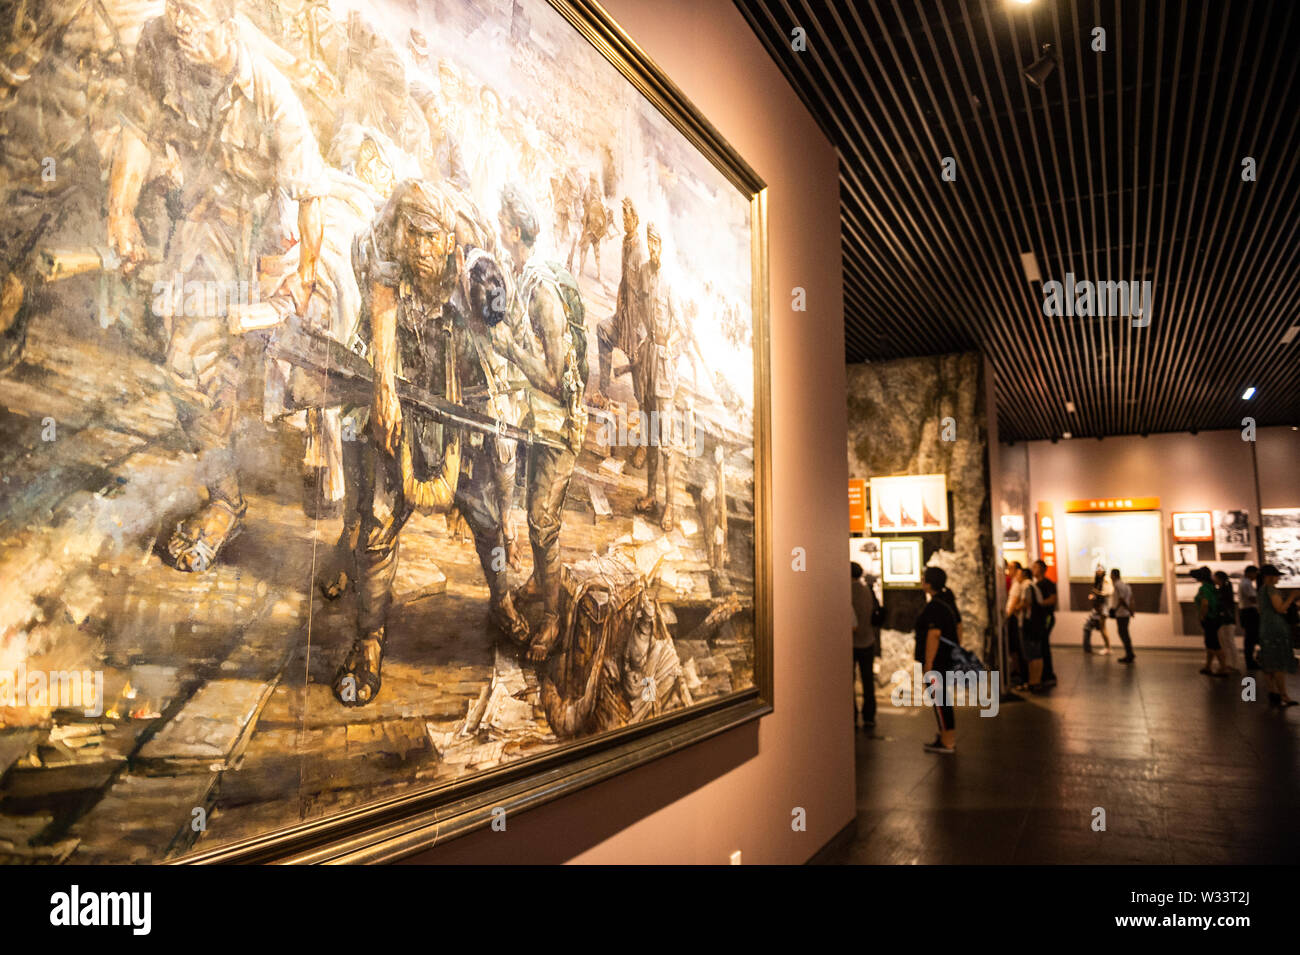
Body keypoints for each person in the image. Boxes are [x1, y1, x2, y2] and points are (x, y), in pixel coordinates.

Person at [109, 0, 331, 573]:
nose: (180, 20)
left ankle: (225, 503)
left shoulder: (270, 92)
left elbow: (310, 193)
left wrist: (304, 277)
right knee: (189, 368)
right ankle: (225, 486)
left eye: (195, 11)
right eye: (175, 5)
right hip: (198, 215)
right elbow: (135, 127)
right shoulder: (159, 45)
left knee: (201, 367)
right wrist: (120, 212)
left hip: (255, 227)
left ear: (229, 21)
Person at [915, 566, 960, 753]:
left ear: (929, 583)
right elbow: (959, 627)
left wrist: (929, 663)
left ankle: (947, 742)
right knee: (943, 700)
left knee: (940, 702)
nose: (921, 581)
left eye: (924, 578)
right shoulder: (948, 601)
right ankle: (944, 737)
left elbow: (934, 634)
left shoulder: (934, 606)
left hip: (938, 661)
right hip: (948, 657)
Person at [1255, 565, 1299, 706]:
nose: (1278, 578)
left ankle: (1272, 692)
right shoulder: (1271, 589)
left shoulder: (1261, 590)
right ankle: (1284, 695)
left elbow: (1262, 610)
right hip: (1276, 627)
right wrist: (1292, 597)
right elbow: (1279, 608)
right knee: (1278, 663)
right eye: (1276, 576)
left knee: (1269, 661)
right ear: (1269, 577)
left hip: (1265, 626)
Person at [851, 563, 879, 728]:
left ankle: (852, 714)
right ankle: (869, 715)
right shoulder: (867, 590)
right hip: (868, 640)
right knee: (868, 680)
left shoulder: (846, 591)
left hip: (852, 642)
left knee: (850, 681)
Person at [1192, 567, 1230, 676]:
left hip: (1210, 619)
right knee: (1210, 643)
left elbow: (1205, 603)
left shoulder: (1204, 588)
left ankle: (1223, 667)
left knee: (1214, 643)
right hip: (1215, 618)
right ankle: (1208, 666)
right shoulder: (1212, 587)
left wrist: (1201, 616)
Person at [1026, 560, 1058, 689]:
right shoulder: (1035, 584)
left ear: (1042, 569)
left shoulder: (1047, 583)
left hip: (1046, 618)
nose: (1033, 569)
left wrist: (1039, 604)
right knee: (1041, 645)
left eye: (1035, 567)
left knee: (1044, 645)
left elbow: (1052, 599)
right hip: (1039, 619)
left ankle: (1048, 675)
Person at [1214, 571, 1244, 672]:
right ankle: (1229, 664)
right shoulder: (1226, 589)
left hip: (1226, 619)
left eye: (1215, 578)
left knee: (1228, 642)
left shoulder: (1224, 590)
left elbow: (1224, 605)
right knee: (1227, 642)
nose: (1214, 580)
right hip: (1227, 619)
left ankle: (1233, 664)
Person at [1082, 566, 1112, 655]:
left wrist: (1096, 592)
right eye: (1097, 570)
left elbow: (1107, 593)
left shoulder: (1105, 580)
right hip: (1098, 607)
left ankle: (1108, 648)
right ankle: (1107, 647)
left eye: (1100, 570)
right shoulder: (1099, 581)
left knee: (1102, 628)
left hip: (1102, 608)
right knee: (1101, 628)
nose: (1098, 572)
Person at [1108, 568, 1136, 663]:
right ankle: (1129, 653)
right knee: (1125, 634)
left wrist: (1115, 610)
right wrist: (1131, 611)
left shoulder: (1117, 585)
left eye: (1111, 574)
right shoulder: (1126, 586)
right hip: (1125, 613)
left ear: (1114, 575)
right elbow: (1131, 599)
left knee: (1123, 634)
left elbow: (1121, 600)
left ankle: (1129, 654)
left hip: (1122, 613)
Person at [1239, 565, 1261, 670]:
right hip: (1249, 612)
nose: (1256, 576)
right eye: (1255, 573)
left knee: (1250, 638)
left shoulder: (1245, 582)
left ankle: (1251, 660)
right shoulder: (1246, 583)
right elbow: (1252, 598)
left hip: (1246, 612)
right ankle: (1250, 661)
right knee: (1250, 638)